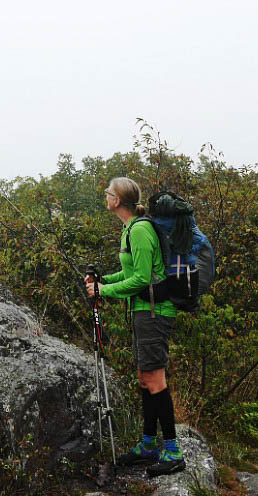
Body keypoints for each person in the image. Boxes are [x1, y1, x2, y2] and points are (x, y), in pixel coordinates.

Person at [84, 176, 185, 474]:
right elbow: (130, 272)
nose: (105, 196)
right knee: (145, 378)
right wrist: (104, 282)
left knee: (155, 380)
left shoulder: (139, 230)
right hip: (143, 311)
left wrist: (104, 292)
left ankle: (172, 452)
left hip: (154, 312)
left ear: (118, 200)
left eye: (108, 193)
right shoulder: (130, 229)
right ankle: (147, 444)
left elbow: (142, 278)